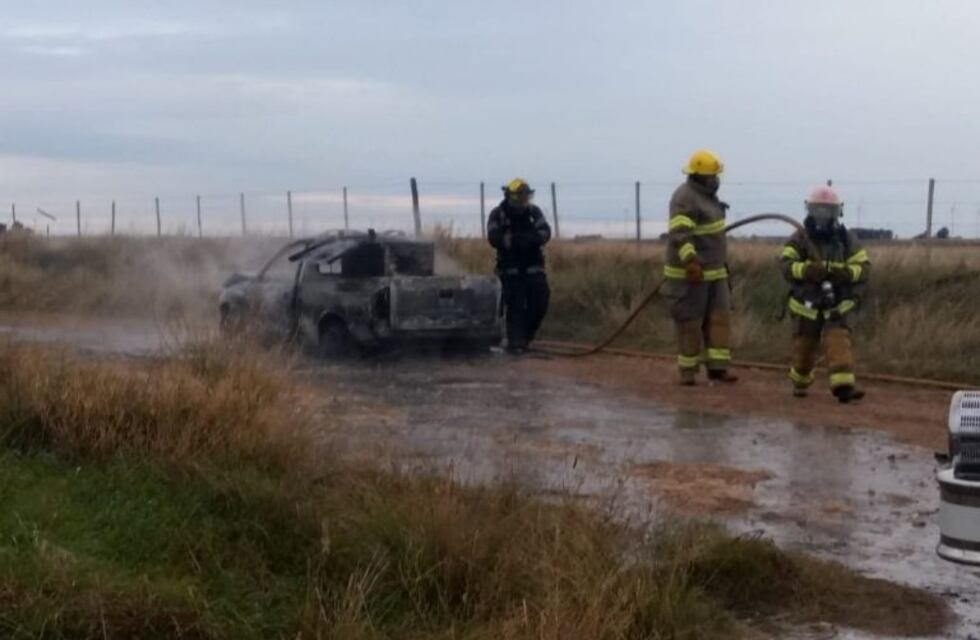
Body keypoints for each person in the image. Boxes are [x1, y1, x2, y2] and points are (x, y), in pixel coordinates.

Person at [779, 185, 870, 403]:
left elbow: (864, 268)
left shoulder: (847, 240)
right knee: (804, 348)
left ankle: (843, 387)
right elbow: (785, 265)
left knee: (838, 340)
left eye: (828, 211)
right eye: (818, 210)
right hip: (806, 304)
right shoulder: (799, 239)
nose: (822, 216)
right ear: (809, 211)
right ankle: (800, 382)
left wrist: (845, 273)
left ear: (837, 212)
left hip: (836, 303)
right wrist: (806, 271)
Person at [664, 149, 737, 385]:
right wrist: (690, 261)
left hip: (715, 273)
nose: (715, 180)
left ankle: (718, 368)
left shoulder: (708, 197)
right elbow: (680, 235)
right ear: (698, 177)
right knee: (690, 323)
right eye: (711, 176)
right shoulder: (684, 197)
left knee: (719, 321)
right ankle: (688, 372)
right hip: (690, 275)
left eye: (716, 176)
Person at [487, 178, 552, 353]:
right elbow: (493, 237)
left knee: (540, 302)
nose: (523, 202)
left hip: (534, 268)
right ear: (509, 196)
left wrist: (529, 240)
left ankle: (525, 338)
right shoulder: (497, 214)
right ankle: (515, 343)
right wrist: (511, 241)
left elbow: (545, 231)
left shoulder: (534, 212)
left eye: (526, 197)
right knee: (514, 306)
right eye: (519, 198)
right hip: (510, 271)